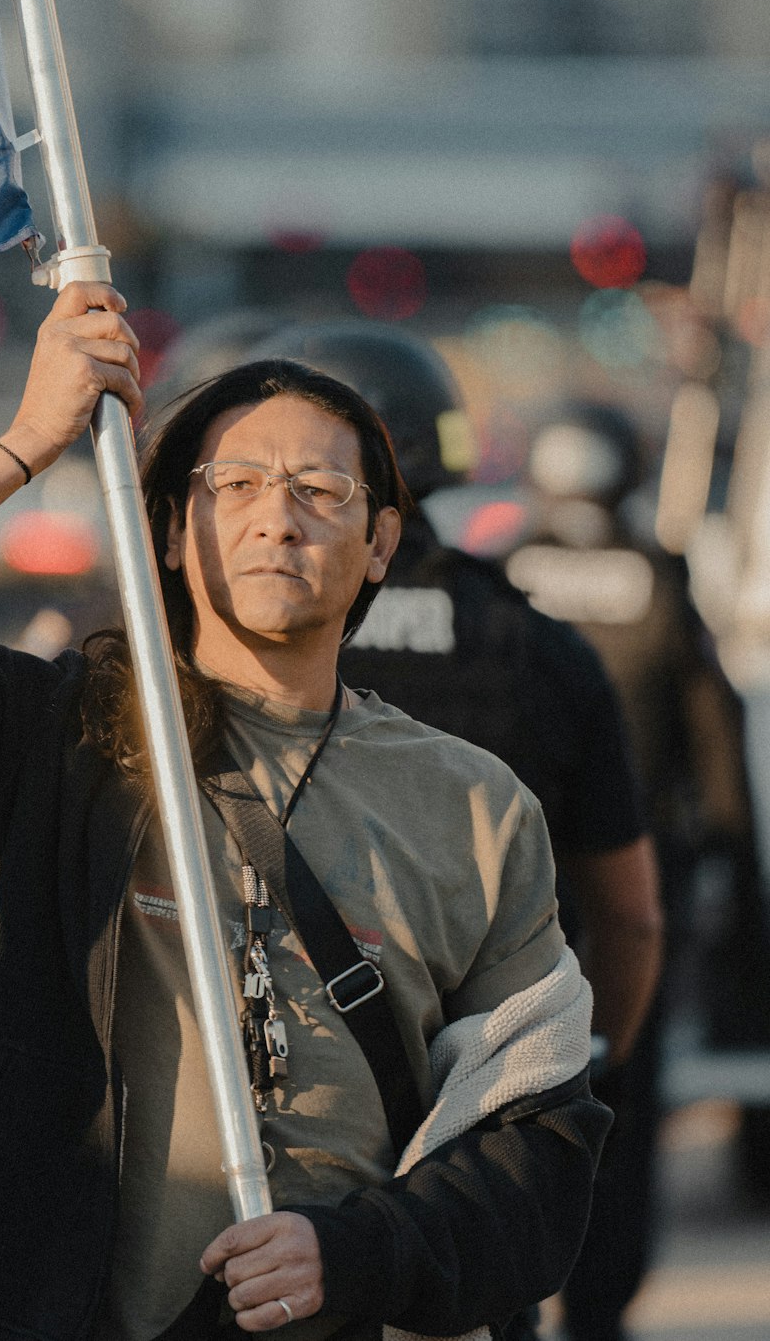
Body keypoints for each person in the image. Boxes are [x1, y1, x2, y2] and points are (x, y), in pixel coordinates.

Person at [0, 282, 612, 1341]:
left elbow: (535, 1144)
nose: (277, 516)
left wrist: (353, 1254)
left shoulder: (475, 805)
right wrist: (28, 443)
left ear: (382, 542)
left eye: (320, 488)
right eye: (236, 483)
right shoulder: (54, 741)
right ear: (169, 529)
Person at [250, 320, 664, 1080]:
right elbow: (631, 918)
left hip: (288, 1069)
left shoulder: (248, 640)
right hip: (497, 1072)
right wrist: (582, 1069)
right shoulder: (539, 646)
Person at [507, 396, 769, 1341]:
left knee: (502, 1098)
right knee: (614, 1101)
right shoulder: (659, 579)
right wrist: (736, 876)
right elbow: (716, 743)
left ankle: (514, 1292)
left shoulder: (502, 579)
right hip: (630, 890)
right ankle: (601, 1315)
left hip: (509, 898)